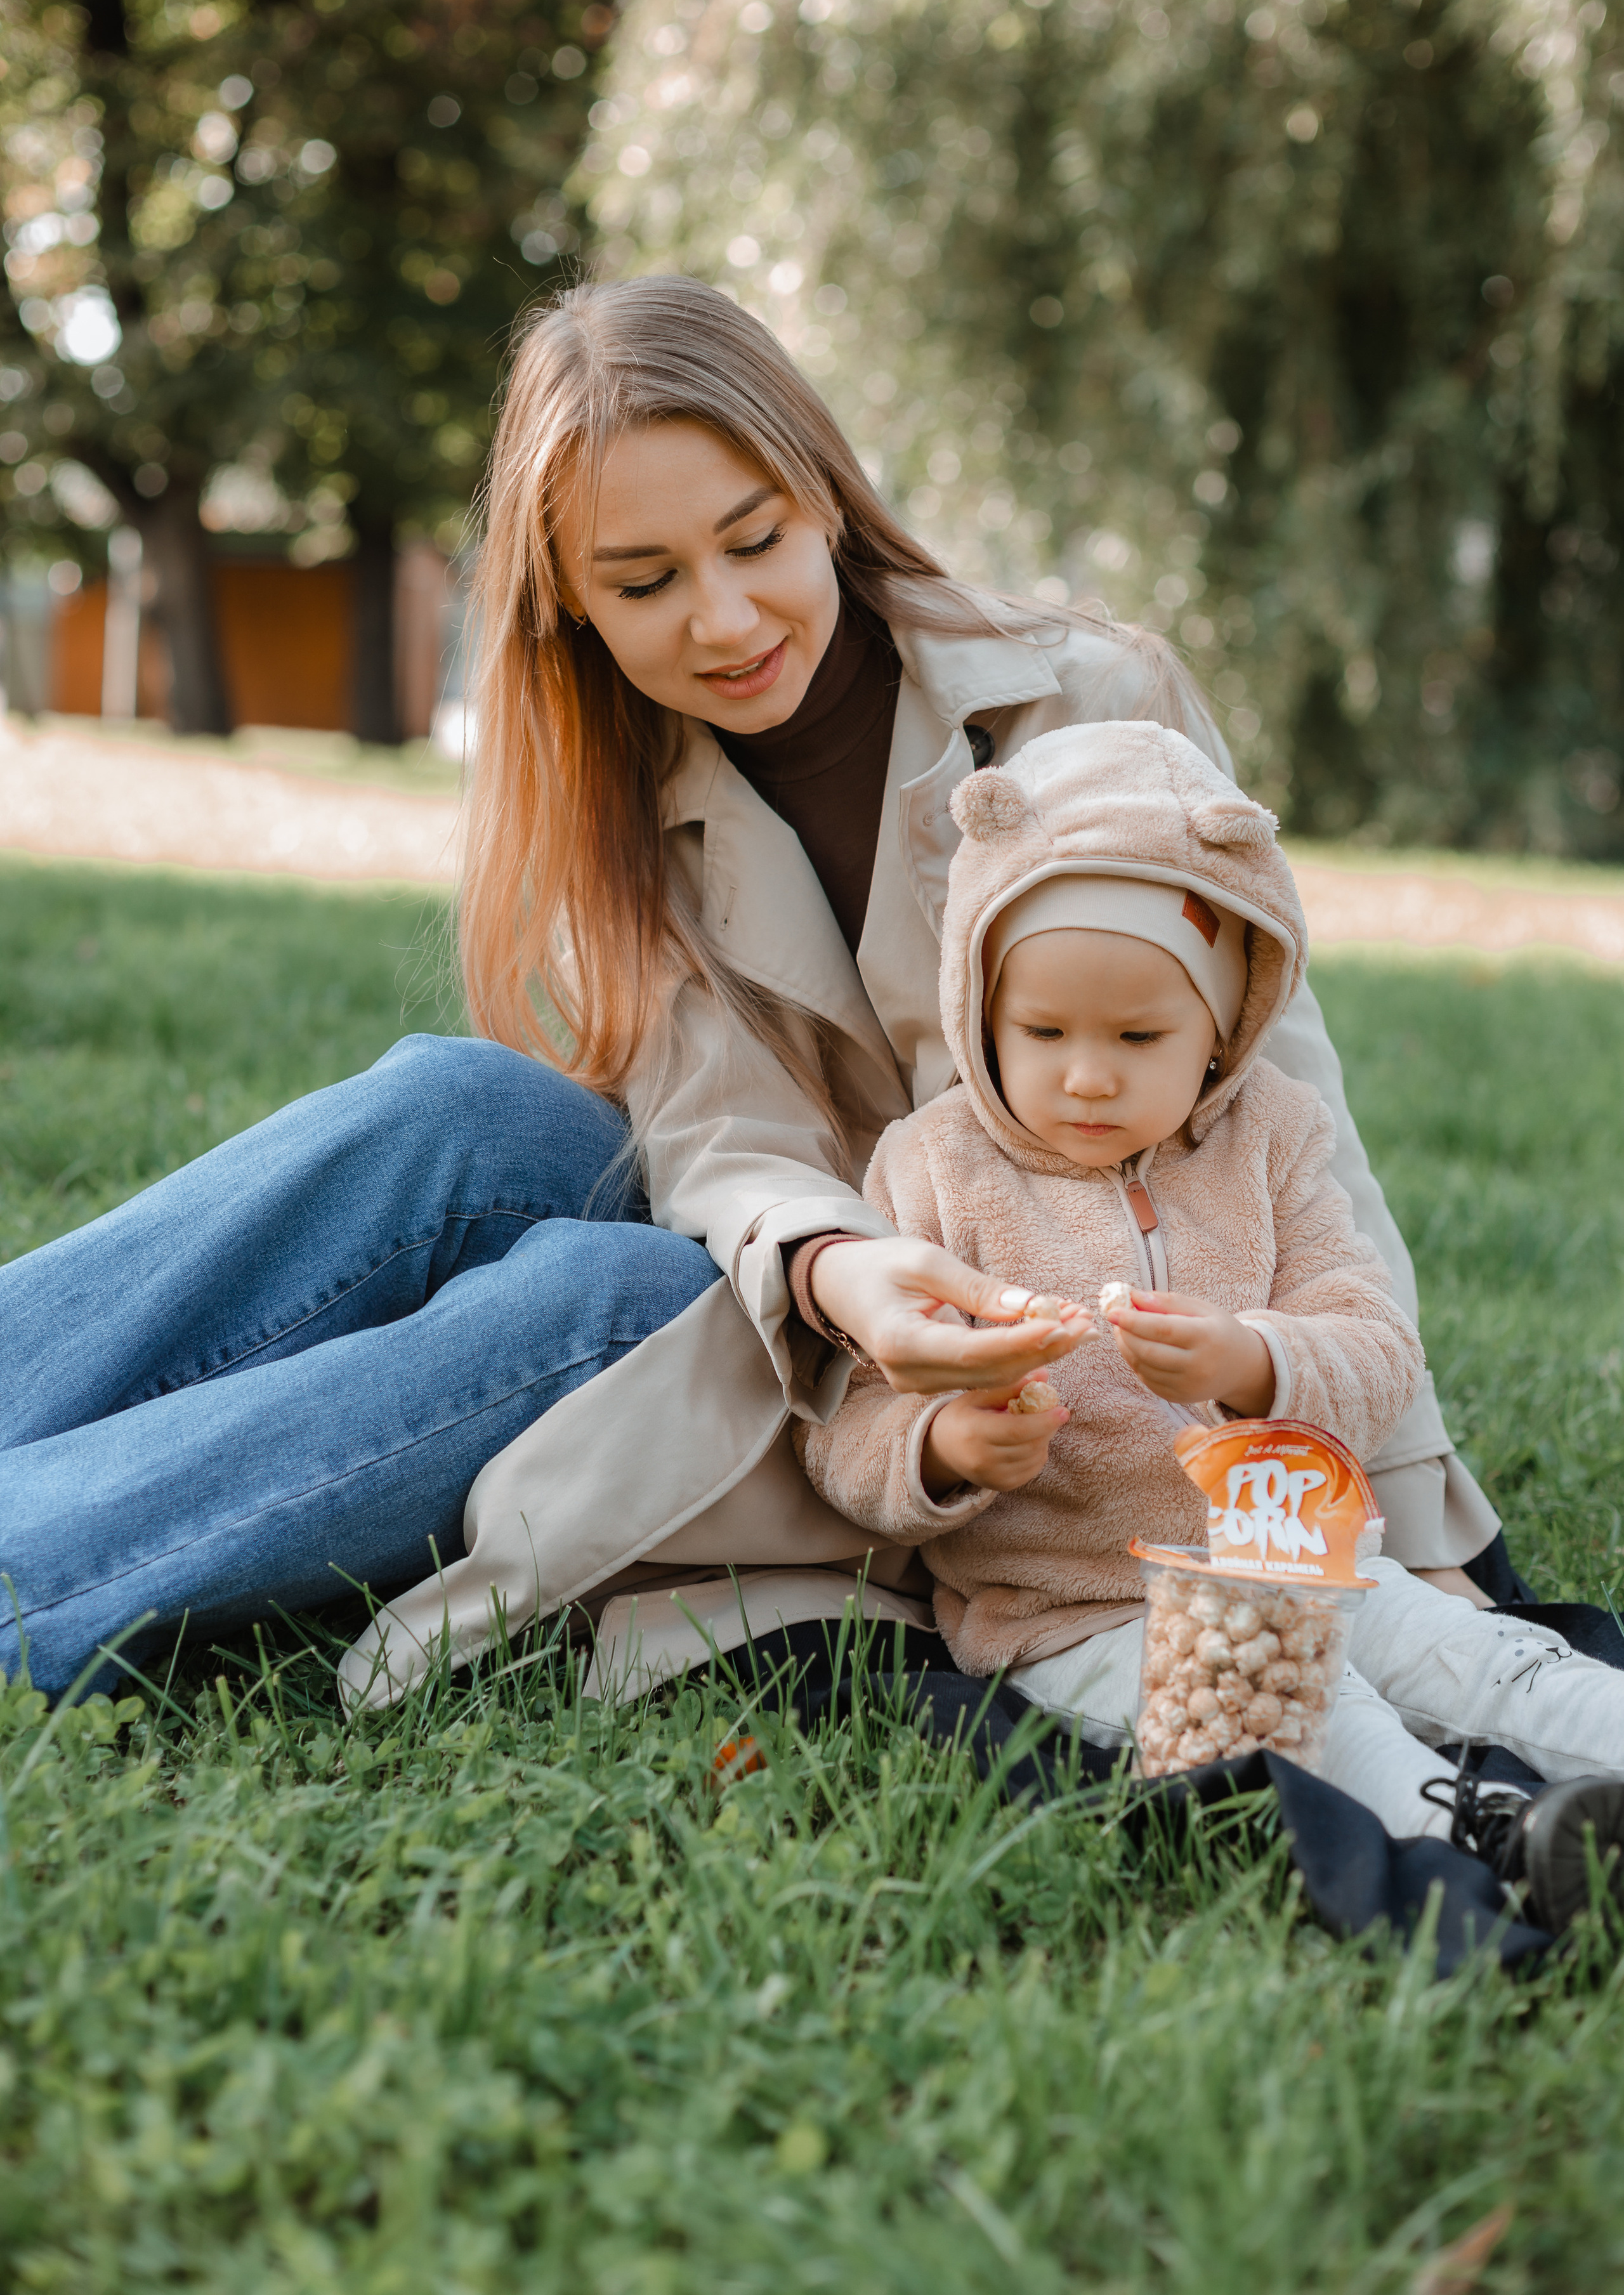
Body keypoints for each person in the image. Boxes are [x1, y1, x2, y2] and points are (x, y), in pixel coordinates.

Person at [0, 277, 1503, 1711]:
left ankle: (27, 1577)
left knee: (619, 1297)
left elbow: (1292, 1123)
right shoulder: (624, 788)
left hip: (979, 1408)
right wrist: (841, 1270)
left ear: (824, 497)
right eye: (644, 582)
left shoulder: (1090, 702)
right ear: (568, 605)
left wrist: (1410, 1519)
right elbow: (713, 1138)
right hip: (830, 1276)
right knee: (455, 1101)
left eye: (752, 540)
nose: (721, 622)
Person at [797, 718, 1624, 1932]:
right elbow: (844, 1424)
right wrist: (945, 1450)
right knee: (1317, 1717)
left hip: (1310, 1556)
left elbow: (1378, 1345)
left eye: (1139, 1039)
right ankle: (1498, 1840)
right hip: (1083, 1617)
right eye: (1043, 1034)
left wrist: (1256, 1359)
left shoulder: (1271, 1140)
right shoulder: (934, 1176)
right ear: (981, 1007)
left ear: (1225, 1027)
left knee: (1489, 1657)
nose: (1087, 1076)